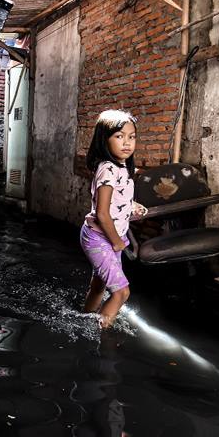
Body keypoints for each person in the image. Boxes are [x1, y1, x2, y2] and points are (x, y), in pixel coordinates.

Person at [81, 110, 147, 329]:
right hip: (101, 238)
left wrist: (131, 206)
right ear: (104, 139)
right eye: (119, 136)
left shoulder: (122, 167)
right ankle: (100, 336)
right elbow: (102, 213)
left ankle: (84, 321)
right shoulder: (108, 169)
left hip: (109, 237)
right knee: (121, 292)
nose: (127, 142)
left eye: (132, 136)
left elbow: (116, 201)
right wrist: (118, 243)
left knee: (99, 286)